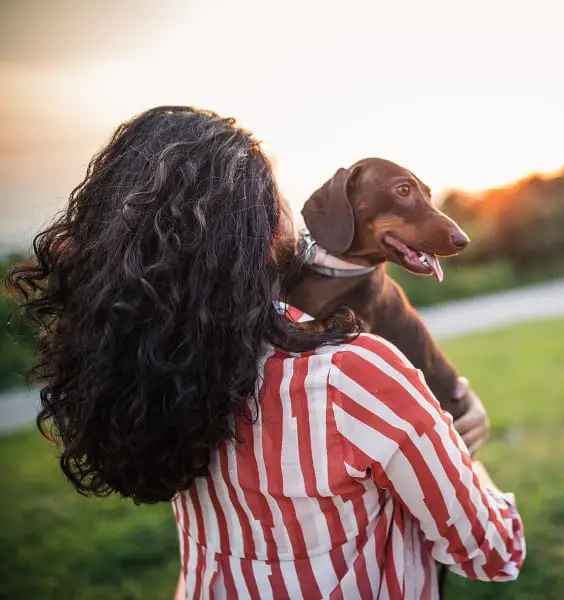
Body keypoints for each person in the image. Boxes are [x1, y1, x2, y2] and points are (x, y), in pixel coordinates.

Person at [8, 106, 524, 599]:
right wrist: (458, 440)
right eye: (272, 190)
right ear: (252, 230)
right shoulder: (353, 374)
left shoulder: (169, 374)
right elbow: (495, 553)